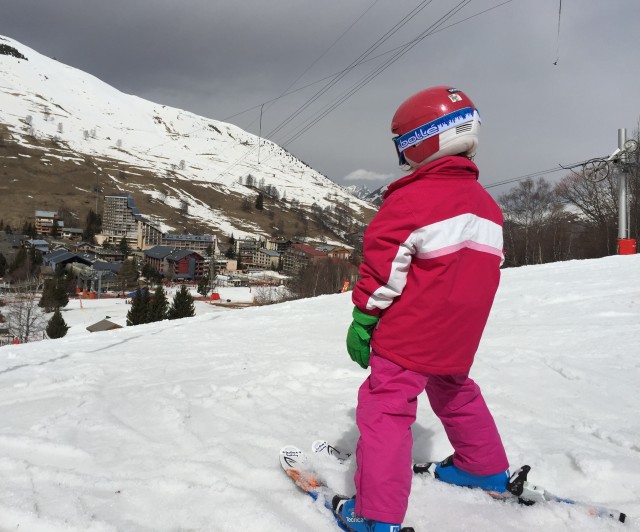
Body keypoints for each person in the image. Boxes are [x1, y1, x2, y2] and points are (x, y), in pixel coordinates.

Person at [336, 86, 509, 532]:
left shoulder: (411, 200)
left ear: (423, 141)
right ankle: (481, 466)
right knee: (454, 390)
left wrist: (363, 318)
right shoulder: (488, 207)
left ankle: (375, 515)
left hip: (410, 331)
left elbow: (383, 269)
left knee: (385, 408)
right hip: (460, 334)